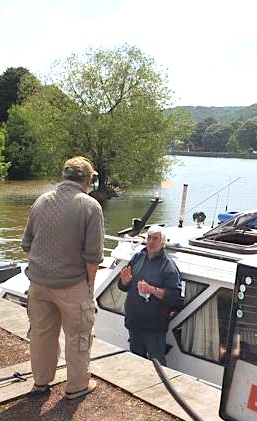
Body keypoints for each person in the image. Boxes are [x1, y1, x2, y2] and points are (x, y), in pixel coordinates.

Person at [21, 156, 103, 399]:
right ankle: (76, 386)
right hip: (72, 284)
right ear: (88, 179)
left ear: (64, 176)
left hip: (38, 282)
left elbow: (27, 243)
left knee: (41, 334)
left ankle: (41, 382)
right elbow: (93, 256)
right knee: (78, 336)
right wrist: (89, 288)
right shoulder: (90, 206)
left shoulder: (41, 201)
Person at [117, 225, 182, 366]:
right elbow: (122, 286)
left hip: (154, 327)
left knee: (157, 363)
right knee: (136, 362)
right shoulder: (137, 258)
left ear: (162, 243)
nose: (151, 241)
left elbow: (175, 297)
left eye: (155, 239)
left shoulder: (168, 266)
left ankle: (159, 387)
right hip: (134, 322)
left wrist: (152, 290)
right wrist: (124, 281)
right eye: (149, 238)